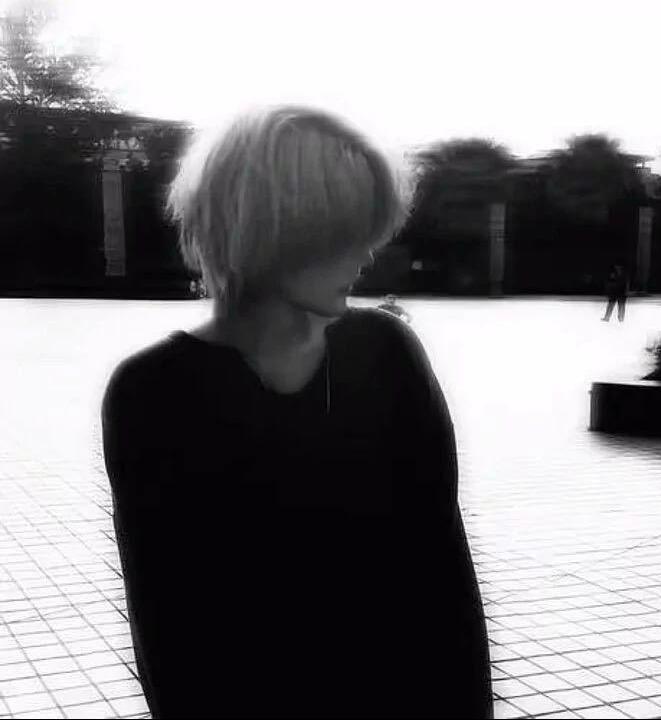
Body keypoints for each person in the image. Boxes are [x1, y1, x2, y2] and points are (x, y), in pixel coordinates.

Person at [101, 105, 494, 719]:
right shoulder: (152, 392)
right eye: (343, 233)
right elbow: (169, 630)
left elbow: (443, 577)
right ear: (270, 230)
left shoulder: (386, 352)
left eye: (369, 228)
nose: (365, 256)